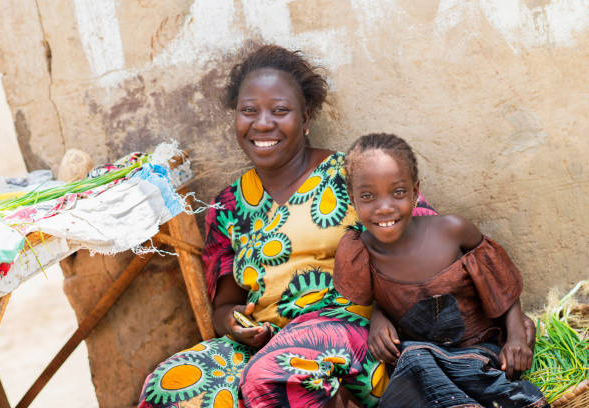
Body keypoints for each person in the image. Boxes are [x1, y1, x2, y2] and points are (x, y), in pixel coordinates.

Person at [138, 45, 533, 408]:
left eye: (279, 110)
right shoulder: (227, 206)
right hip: (263, 340)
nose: (262, 124)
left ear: (305, 117)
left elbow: (429, 240)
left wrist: (506, 321)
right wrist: (233, 324)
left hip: (348, 329)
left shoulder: (352, 177)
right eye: (248, 111)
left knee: (274, 377)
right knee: (169, 388)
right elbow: (224, 305)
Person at [333, 133, 548, 408]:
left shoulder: (452, 232)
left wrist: (516, 336)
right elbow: (383, 296)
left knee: (422, 360)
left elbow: (502, 286)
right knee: (412, 360)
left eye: (398, 192)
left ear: (414, 192)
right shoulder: (360, 252)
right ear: (352, 199)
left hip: (482, 349)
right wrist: (379, 317)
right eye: (368, 196)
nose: (384, 207)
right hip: (424, 359)